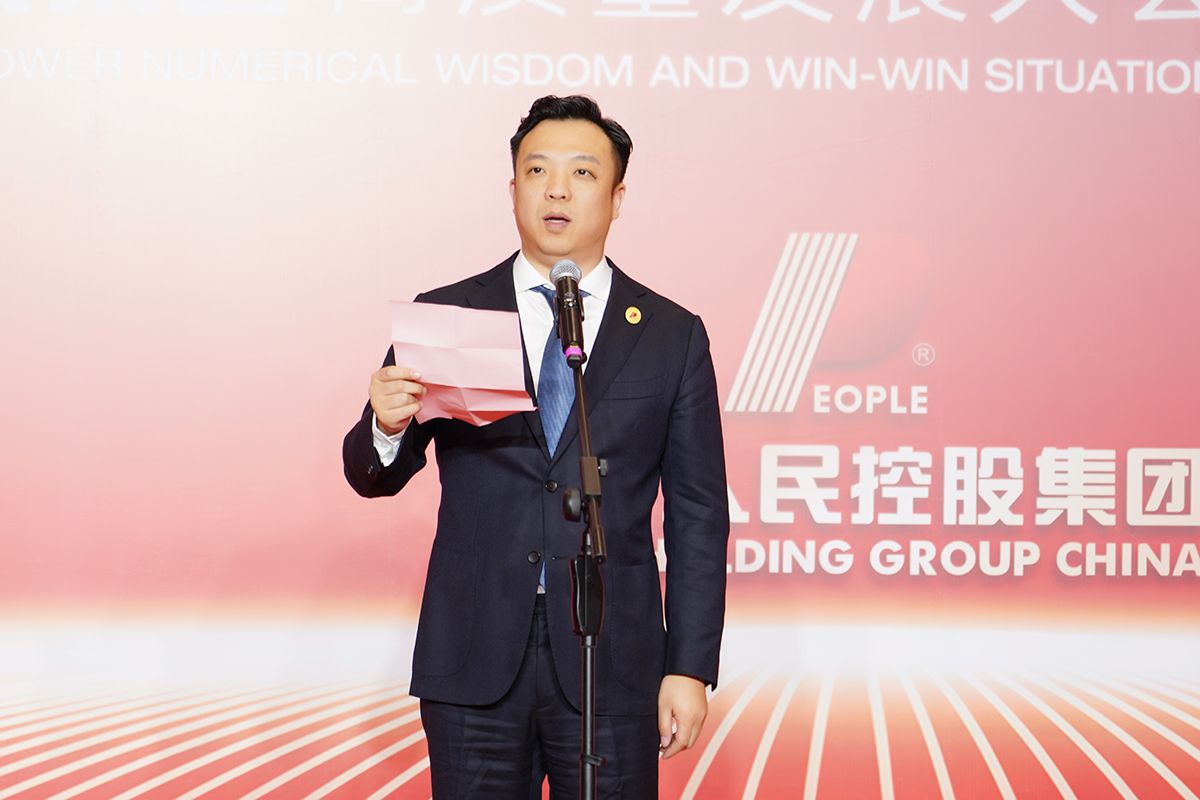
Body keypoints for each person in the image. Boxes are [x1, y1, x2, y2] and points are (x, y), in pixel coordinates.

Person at [342, 95, 729, 800]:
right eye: (537, 170)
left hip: (612, 657)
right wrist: (386, 425)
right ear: (513, 188)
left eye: (582, 173)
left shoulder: (671, 335)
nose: (557, 190)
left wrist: (690, 665)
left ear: (617, 198)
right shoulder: (450, 314)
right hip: (475, 655)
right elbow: (372, 475)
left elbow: (699, 514)